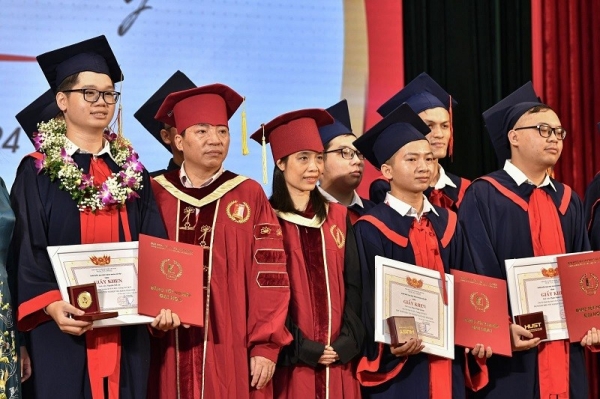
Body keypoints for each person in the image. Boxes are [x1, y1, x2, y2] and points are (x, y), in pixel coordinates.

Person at [9, 35, 167, 399]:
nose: (102, 102)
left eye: (110, 94)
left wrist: (165, 302)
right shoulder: (36, 171)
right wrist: (49, 304)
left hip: (126, 331)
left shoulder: (133, 172)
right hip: (61, 329)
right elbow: (27, 251)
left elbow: (154, 242)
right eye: (90, 93)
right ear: (62, 101)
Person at [149, 84, 292, 399]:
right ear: (178, 140)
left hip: (232, 345)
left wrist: (265, 345)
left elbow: (270, 277)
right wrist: (148, 318)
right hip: (164, 346)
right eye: (201, 131)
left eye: (222, 131)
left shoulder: (248, 193)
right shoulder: (154, 192)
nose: (215, 140)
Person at [459, 82, 596, 398]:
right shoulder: (484, 195)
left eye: (558, 132)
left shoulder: (568, 200)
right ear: (514, 137)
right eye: (544, 129)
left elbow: (583, 273)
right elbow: (476, 270)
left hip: (565, 351)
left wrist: (592, 322)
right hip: (513, 357)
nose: (554, 139)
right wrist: (499, 329)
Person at [352, 103, 489, 399]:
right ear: (386, 170)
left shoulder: (450, 223)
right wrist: (390, 344)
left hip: (447, 361)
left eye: (428, 159)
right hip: (402, 371)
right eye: (411, 159)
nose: (424, 167)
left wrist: (481, 333)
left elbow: (468, 287)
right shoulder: (372, 228)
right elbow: (365, 302)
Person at [250, 108, 364, 398]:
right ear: (280, 163)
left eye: (319, 157)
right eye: (303, 158)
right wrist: (305, 348)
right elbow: (265, 294)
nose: (314, 167)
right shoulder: (266, 221)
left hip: (338, 362)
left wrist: (346, 342)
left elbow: (354, 285)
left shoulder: (338, 217)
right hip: (292, 365)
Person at [369, 73, 469, 211]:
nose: (439, 134)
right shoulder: (387, 187)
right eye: (429, 126)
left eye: (445, 126)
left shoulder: (464, 188)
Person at [318, 99, 375, 224]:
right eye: (345, 152)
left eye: (359, 154)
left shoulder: (376, 215)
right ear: (320, 161)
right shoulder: (305, 214)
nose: (357, 161)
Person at [134, 70, 195, 176]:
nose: (194, 128)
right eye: (182, 121)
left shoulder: (228, 185)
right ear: (166, 136)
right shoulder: (152, 187)